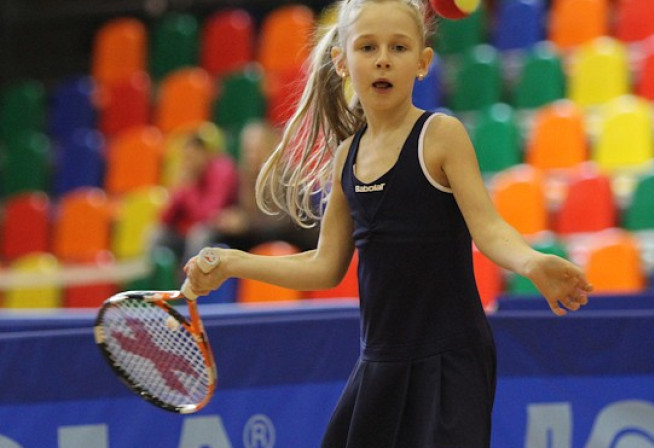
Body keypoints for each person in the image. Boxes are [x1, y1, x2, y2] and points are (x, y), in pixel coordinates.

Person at [185, 0, 593, 446]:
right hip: (379, 360)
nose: (383, 58)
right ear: (342, 61)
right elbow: (324, 266)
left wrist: (531, 262)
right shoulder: (347, 158)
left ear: (422, 63)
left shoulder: (440, 135)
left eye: (398, 47)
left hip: (450, 358)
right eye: (367, 47)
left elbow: (490, 229)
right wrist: (231, 262)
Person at [198, 121, 319, 253]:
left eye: (257, 150)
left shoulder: (290, 179)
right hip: (256, 239)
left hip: (292, 246)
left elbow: (288, 226)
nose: (252, 156)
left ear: (273, 149)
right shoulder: (243, 178)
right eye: (248, 151)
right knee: (205, 234)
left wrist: (246, 225)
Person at [154, 127, 238, 267]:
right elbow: (165, 219)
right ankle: (155, 282)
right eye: (186, 158)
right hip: (191, 231)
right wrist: (178, 191)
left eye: (192, 156)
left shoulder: (222, 169)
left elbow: (209, 214)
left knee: (199, 234)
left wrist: (188, 187)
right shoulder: (187, 178)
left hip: (223, 231)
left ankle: (190, 284)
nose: (189, 162)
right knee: (158, 234)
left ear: (205, 153)